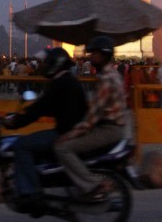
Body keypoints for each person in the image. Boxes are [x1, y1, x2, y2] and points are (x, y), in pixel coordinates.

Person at [3, 47, 88, 212]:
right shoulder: (69, 81)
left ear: (55, 64)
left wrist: (15, 122)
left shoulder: (60, 84)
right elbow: (49, 107)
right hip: (71, 130)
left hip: (64, 133)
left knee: (21, 145)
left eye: (47, 62)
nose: (44, 65)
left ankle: (31, 192)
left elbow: (39, 109)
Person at [54, 35, 127, 202]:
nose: (90, 57)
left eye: (94, 53)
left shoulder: (106, 79)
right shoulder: (112, 74)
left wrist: (70, 134)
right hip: (112, 126)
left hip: (109, 129)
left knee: (62, 148)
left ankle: (91, 186)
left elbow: (92, 117)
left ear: (103, 55)